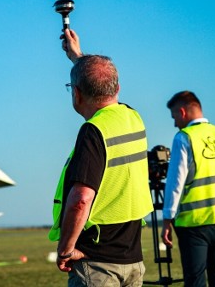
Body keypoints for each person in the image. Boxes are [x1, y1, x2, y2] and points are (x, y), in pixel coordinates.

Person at [49, 29, 154, 286]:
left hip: (97, 263)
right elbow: (102, 84)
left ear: (76, 94)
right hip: (132, 260)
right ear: (117, 88)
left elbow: (80, 200)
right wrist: (78, 58)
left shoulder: (93, 131)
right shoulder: (133, 117)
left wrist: (66, 248)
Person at [161, 91, 215, 287]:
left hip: (193, 223)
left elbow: (175, 183)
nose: (175, 123)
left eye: (174, 116)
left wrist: (167, 218)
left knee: (195, 280)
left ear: (182, 112)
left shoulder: (183, 137)